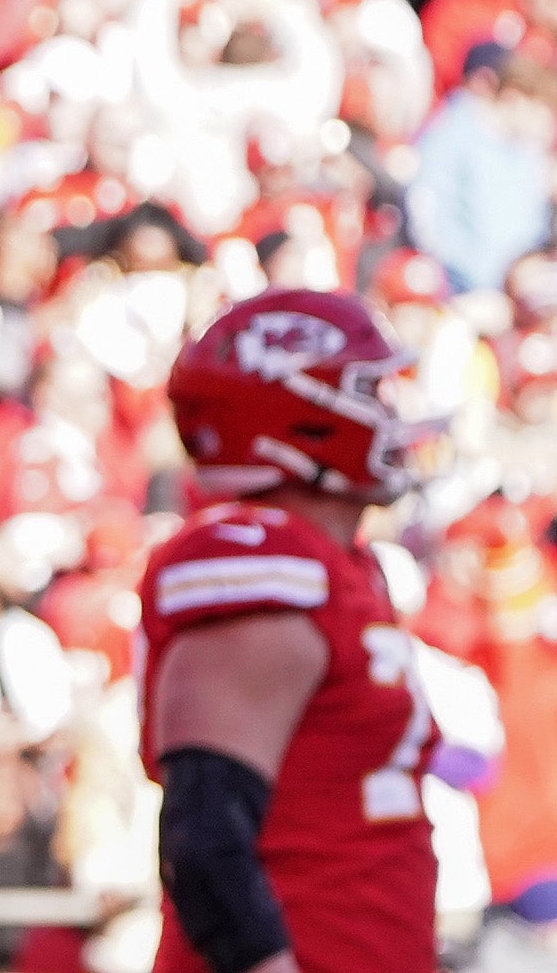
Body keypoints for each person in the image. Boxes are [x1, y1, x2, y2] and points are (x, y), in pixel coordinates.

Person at [141, 288, 444, 973]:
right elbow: (205, 836)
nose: (391, 416)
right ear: (301, 416)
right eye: (370, 393)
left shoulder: (344, 566)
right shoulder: (257, 558)